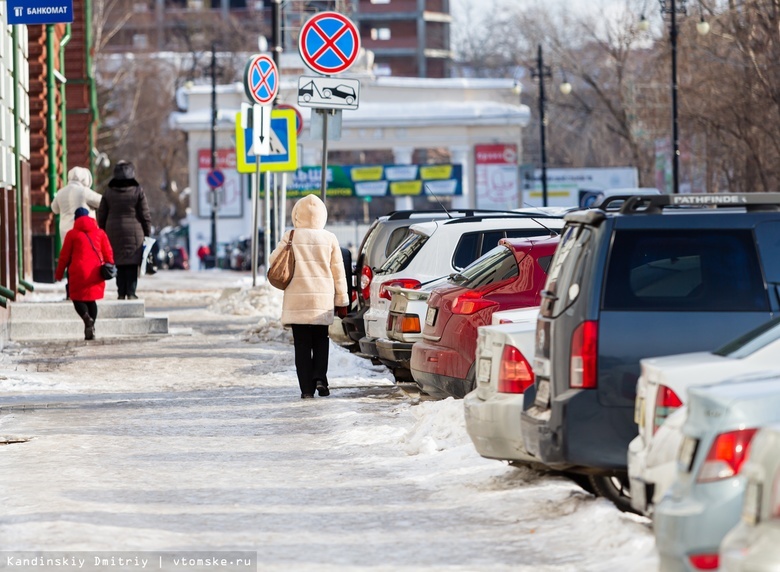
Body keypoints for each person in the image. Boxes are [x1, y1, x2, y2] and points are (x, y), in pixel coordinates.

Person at [269, 194, 349, 399]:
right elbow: (338, 272)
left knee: (302, 344)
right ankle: (320, 377)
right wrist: (342, 300)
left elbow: (273, 260)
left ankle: (306, 389)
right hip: (322, 299)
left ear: (297, 214)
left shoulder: (291, 235)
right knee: (321, 339)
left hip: (298, 299)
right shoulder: (330, 238)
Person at [55, 207, 115, 341]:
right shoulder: (100, 233)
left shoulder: (72, 234)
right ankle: (91, 324)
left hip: (77, 271)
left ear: (76, 219)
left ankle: (87, 319)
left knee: (76, 297)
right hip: (96, 272)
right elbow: (108, 252)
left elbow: (64, 256)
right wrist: (110, 265)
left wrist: (59, 274)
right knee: (91, 300)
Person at [98, 160, 151, 300]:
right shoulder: (138, 191)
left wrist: (102, 231)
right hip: (135, 231)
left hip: (113, 232)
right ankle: (131, 292)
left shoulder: (108, 192)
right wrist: (148, 232)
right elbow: (145, 214)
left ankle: (121, 292)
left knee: (119, 262)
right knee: (132, 263)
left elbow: (101, 214)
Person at [50, 166, 103, 246]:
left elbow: (54, 209)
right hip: (83, 234)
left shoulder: (61, 193)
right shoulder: (84, 192)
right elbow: (102, 201)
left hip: (65, 234)